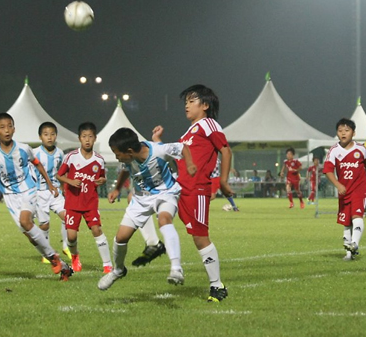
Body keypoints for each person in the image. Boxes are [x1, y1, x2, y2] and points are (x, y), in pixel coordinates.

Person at [152, 84, 234, 302]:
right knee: (160, 214)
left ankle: (217, 286)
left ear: (205, 105)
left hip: (197, 190)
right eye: (186, 101)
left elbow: (225, 150)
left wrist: (223, 181)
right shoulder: (189, 132)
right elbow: (176, 155)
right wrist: (159, 143)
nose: (186, 105)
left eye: (191, 101)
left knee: (200, 238)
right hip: (181, 189)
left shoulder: (209, 124)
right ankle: (156, 246)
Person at [98, 127, 196, 291]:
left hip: (166, 193)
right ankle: (118, 270)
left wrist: (190, 164)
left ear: (129, 151)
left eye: (117, 154)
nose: (116, 157)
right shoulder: (128, 158)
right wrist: (117, 189)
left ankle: (176, 269)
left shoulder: (158, 151)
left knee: (164, 219)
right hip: (141, 199)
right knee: (121, 238)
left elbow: (183, 147)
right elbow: (124, 169)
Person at [0, 112, 73, 281]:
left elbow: (37, 164)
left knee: (25, 221)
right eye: (2, 127)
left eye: (9, 126)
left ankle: (54, 257)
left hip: (28, 190)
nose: (6, 130)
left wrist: (50, 183)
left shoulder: (24, 148)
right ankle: (62, 265)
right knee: (30, 236)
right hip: (9, 197)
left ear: (14, 129)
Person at [56, 122, 112, 274]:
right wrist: (70, 181)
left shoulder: (99, 160)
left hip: (90, 203)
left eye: (90, 137)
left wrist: (103, 180)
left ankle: (108, 265)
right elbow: (59, 175)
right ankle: (75, 258)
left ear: (95, 138)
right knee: (71, 236)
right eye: (84, 137)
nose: (87, 140)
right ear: (79, 138)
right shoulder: (71, 157)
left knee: (97, 230)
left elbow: (101, 177)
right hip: (73, 202)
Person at [323, 118, 366, 260]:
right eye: (340, 131)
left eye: (347, 130)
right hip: (344, 192)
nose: (343, 133)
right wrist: (338, 185)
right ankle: (348, 254)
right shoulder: (334, 151)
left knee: (357, 216)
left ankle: (355, 244)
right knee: (346, 223)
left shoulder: (361, 149)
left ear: (353, 133)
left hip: (359, 189)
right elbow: (327, 170)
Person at [33, 121, 72, 264]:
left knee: (68, 217)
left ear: (56, 136)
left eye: (52, 134)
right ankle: (46, 253)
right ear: (40, 137)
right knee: (44, 225)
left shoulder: (60, 153)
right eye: (45, 134)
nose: (49, 137)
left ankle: (65, 246)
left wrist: (65, 188)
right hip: (39, 193)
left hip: (55, 192)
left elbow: (61, 172)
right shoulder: (35, 153)